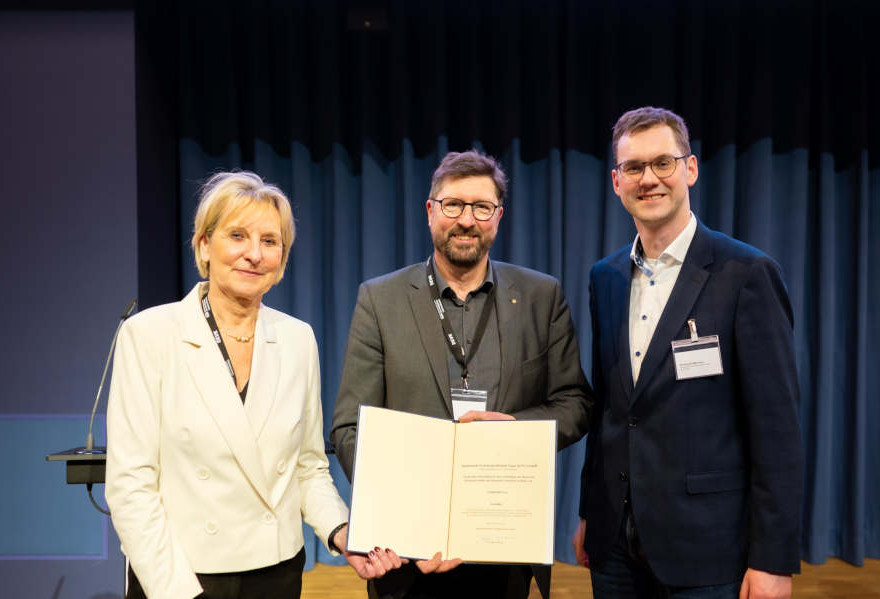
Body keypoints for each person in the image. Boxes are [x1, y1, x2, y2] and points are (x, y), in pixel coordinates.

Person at [105, 171, 400, 599]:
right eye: (237, 235)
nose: (254, 254)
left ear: (282, 257)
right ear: (205, 245)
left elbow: (309, 466)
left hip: (276, 572)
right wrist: (176, 591)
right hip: (181, 574)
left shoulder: (298, 338)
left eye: (270, 241)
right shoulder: (149, 335)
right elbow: (131, 485)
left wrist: (342, 532)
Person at [330, 150, 594, 599]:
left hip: (503, 546)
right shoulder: (380, 299)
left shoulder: (540, 296)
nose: (466, 220)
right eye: (453, 205)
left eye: (481, 207)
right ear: (430, 211)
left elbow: (575, 403)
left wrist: (514, 430)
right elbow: (349, 426)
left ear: (498, 216)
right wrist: (402, 510)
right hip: (407, 555)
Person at [573, 107, 804, 599]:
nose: (649, 179)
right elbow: (612, 411)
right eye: (634, 168)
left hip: (708, 549)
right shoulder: (605, 278)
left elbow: (777, 431)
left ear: (690, 169)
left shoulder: (746, 274)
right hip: (614, 547)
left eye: (663, 163)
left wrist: (772, 561)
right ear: (617, 181)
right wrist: (589, 513)